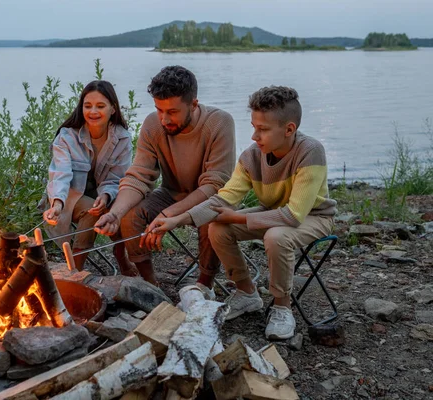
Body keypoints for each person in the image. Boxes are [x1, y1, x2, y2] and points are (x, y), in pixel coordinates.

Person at [146, 86, 337, 339]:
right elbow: (223, 198)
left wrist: (238, 217)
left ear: (289, 129)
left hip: (314, 216)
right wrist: (177, 219)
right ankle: (247, 293)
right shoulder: (251, 157)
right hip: (272, 211)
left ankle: (282, 306)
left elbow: (293, 216)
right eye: (254, 126)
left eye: (263, 129)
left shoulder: (309, 151)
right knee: (218, 228)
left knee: (276, 237)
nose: (254, 136)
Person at [94, 66, 236, 287]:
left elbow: (214, 185)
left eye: (172, 112)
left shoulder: (219, 123)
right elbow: (138, 177)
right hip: (171, 193)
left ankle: (203, 285)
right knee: (130, 216)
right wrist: (115, 213)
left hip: (211, 198)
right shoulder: (153, 124)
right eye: (159, 110)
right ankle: (150, 284)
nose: (164, 119)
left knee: (211, 218)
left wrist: (168, 215)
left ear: (194, 105)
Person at [41, 80, 135, 272]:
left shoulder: (122, 138)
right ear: (81, 107)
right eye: (87, 105)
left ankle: (121, 255)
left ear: (113, 109)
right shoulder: (67, 137)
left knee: (122, 207)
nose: (93, 111)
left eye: (100, 106)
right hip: (69, 196)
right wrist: (57, 203)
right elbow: (61, 174)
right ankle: (76, 270)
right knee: (93, 209)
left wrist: (106, 195)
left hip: (105, 195)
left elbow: (117, 178)